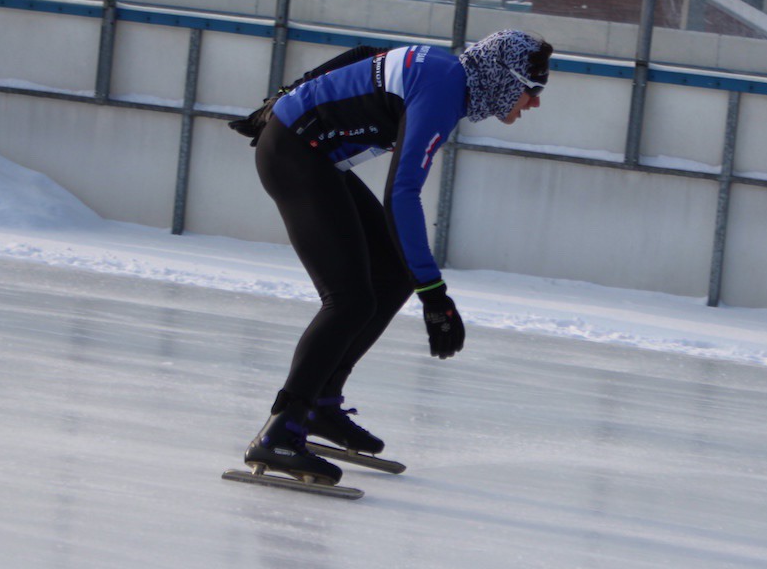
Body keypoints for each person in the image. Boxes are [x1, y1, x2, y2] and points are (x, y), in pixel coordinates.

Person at [235, 30, 552, 485]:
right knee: (348, 300)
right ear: (503, 79)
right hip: (294, 155)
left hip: (308, 152)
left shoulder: (443, 69)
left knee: (392, 273)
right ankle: (281, 430)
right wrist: (435, 295)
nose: (535, 103)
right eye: (532, 89)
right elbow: (402, 194)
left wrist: (289, 94)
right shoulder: (443, 92)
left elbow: (366, 54)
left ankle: (322, 403)